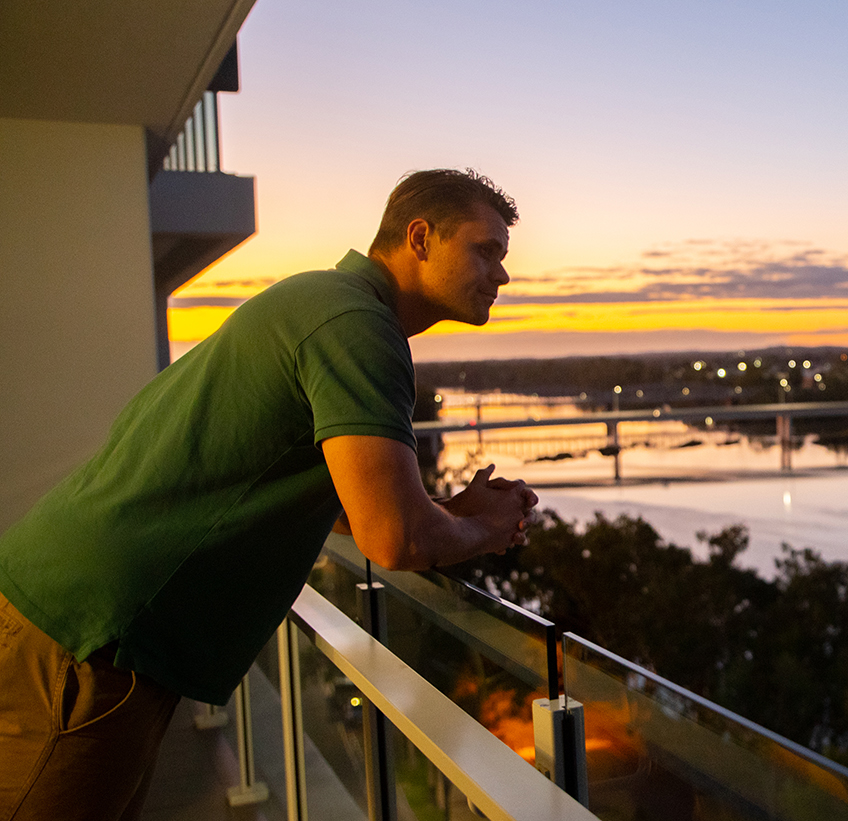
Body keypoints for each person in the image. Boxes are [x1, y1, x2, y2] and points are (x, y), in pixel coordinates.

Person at [0, 169, 538, 819]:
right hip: (96, 634)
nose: (501, 274)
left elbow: (347, 503)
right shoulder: (358, 325)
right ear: (420, 237)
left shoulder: (324, 301)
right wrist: (490, 526)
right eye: (487, 250)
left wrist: (444, 511)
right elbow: (394, 538)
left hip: (84, 616)